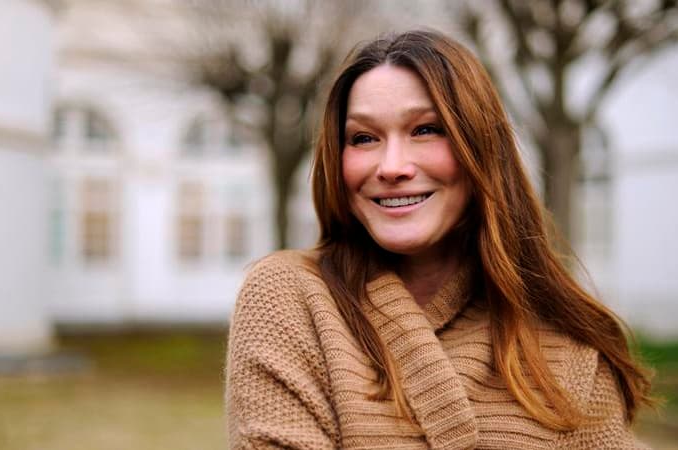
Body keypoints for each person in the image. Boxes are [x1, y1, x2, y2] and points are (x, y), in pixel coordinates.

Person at [226, 30, 653, 449]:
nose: (392, 166)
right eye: (363, 138)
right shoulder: (289, 298)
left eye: (426, 130)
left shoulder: (567, 348)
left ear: (481, 149)